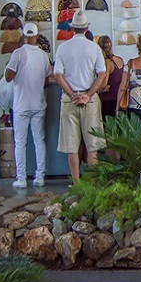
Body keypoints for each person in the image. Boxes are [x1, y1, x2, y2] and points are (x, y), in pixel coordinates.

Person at [54, 11, 107, 182]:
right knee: (92, 147)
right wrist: (88, 94)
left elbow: (58, 76)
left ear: (72, 28)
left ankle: (76, 183)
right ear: (86, 28)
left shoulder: (63, 48)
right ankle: (91, 185)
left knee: (72, 147)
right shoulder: (94, 48)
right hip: (89, 100)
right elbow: (101, 74)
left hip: (69, 100)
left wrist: (72, 95)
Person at [5, 23, 52, 188]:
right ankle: (40, 176)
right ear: (37, 37)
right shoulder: (43, 55)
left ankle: (21, 178)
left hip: (21, 105)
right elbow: (47, 80)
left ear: (23, 36)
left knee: (20, 142)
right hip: (38, 104)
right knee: (39, 140)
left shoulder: (18, 54)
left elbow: (8, 77)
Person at [97, 36, 124, 119]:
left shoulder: (107, 63)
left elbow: (104, 84)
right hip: (120, 99)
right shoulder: (120, 60)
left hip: (108, 101)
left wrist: (98, 90)